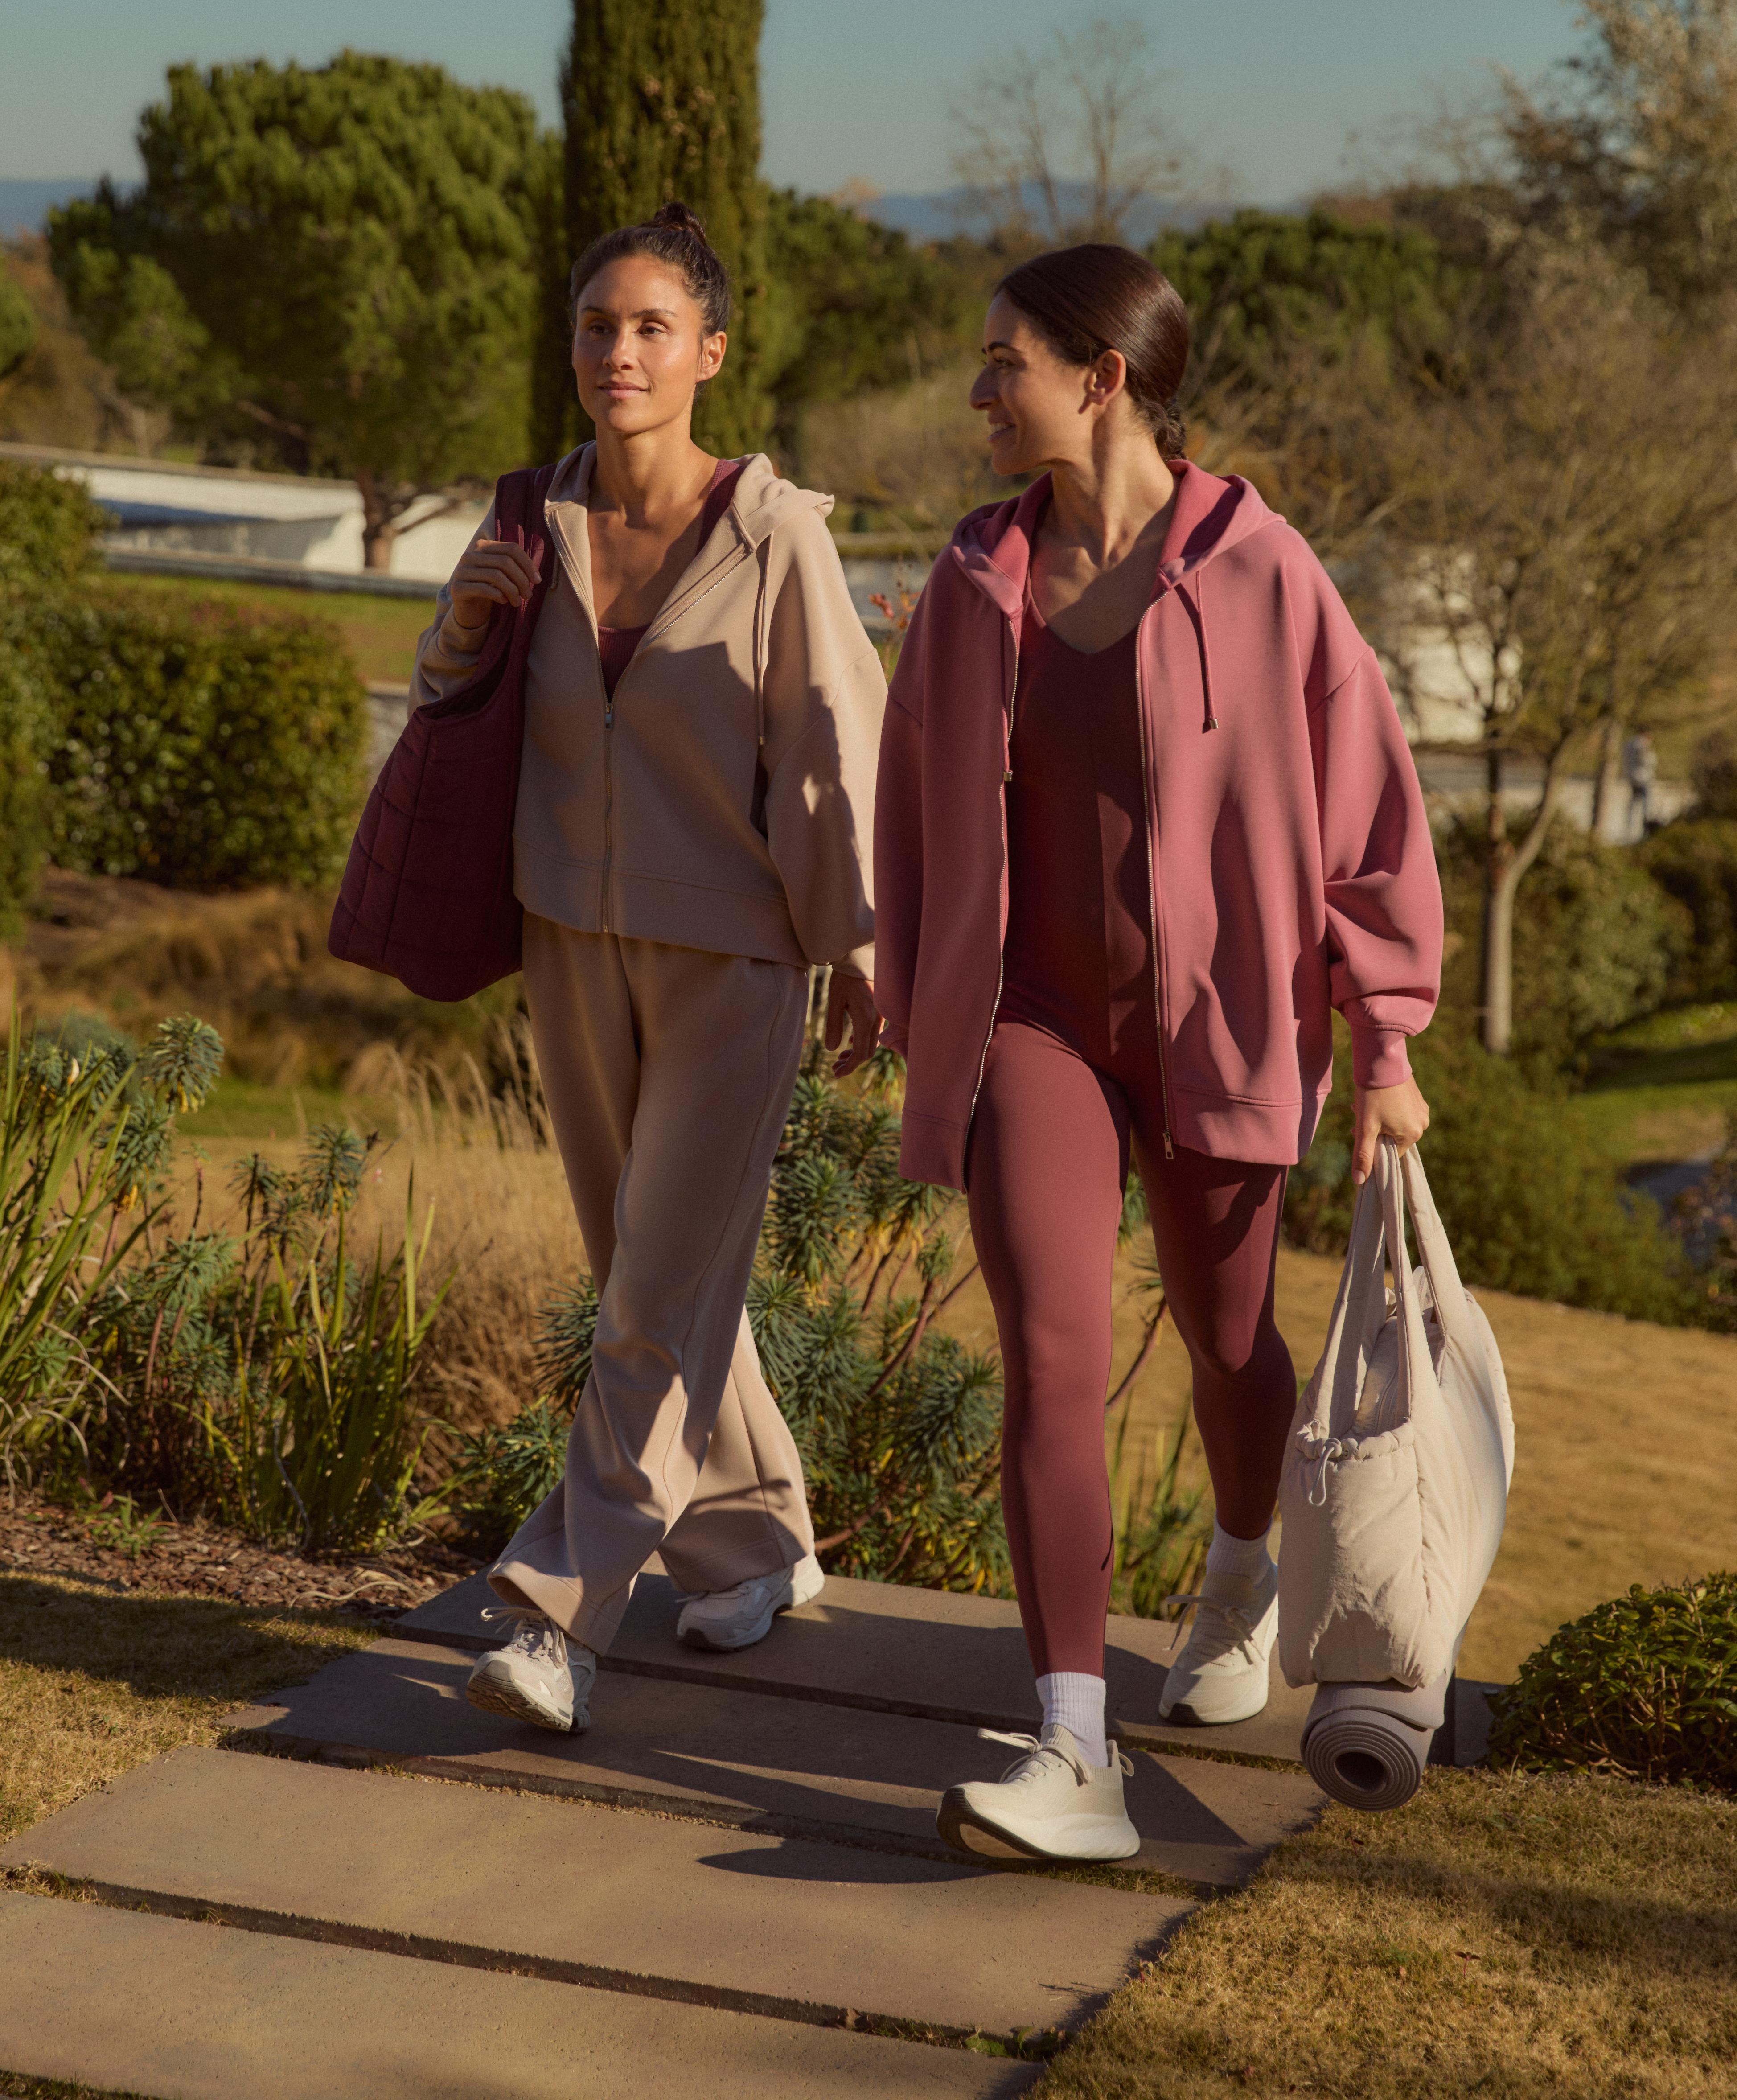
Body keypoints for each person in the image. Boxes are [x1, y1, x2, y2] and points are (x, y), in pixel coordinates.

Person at [874, 245, 1442, 1862]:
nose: (980, 394)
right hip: (1031, 1019)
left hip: (1221, 1024)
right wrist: (909, 997)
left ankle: (1242, 1564)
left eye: (1006, 365)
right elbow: (919, 816)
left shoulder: (1266, 575)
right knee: (1052, 1356)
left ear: (1100, 378)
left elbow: (1371, 822)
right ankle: (1071, 1745)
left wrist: (1383, 1035)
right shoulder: (974, 578)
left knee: (1229, 1344)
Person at [409, 202, 885, 1736]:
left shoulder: (775, 534)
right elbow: (454, 705)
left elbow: (833, 747)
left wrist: (863, 941)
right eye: (597, 326)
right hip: (569, 938)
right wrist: (461, 635)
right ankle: (752, 1542)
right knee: (652, 1280)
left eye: (651, 328)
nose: (618, 352)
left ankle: (560, 1615)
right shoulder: (527, 519)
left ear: (711, 356)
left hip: (736, 961)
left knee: (651, 1299)